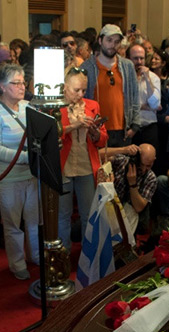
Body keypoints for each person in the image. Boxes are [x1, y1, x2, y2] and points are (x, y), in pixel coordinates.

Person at [0, 64, 40, 280]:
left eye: (23, 82)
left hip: (31, 175)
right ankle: (17, 264)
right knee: (13, 224)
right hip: (7, 177)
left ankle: (35, 256)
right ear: (2, 87)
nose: (22, 86)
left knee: (34, 220)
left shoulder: (28, 107)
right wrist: (25, 156)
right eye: (16, 83)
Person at [58, 67, 108, 249]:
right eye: (76, 90)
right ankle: (63, 256)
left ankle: (89, 257)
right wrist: (74, 125)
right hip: (63, 165)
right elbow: (51, 135)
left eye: (84, 90)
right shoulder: (56, 107)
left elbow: (103, 139)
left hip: (87, 165)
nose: (80, 94)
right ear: (65, 88)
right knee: (63, 215)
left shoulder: (93, 105)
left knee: (88, 213)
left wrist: (94, 133)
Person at [81, 24, 141, 148]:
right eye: (109, 40)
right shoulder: (87, 68)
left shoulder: (127, 66)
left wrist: (135, 125)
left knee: (122, 165)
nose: (113, 45)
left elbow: (135, 96)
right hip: (97, 129)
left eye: (117, 41)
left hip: (123, 129)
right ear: (100, 40)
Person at [107, 143, 158, 235]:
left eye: (148, 166)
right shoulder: (123, 161)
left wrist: (133, 184)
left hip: (130, 216)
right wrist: (123, 149)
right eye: (142, 164)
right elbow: (98, 154)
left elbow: (138, 208)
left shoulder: (151, 178)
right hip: (110, 207)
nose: (143, 169)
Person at [128, 44, 161, 149]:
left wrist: (147, 79)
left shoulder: (153, 78)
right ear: (128, 59)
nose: (139, 61)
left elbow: (155, 104)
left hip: (148, 127)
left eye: (141, 58)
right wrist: (142, 106)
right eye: (135, 58)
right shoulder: (124, 77)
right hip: (130, 128)